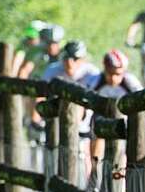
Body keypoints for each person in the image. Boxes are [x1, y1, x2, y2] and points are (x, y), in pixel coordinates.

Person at [40, 40, 100, 179]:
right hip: (56, 116)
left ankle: (91, 180)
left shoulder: (92, 73)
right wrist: (37, 118)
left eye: (75, 59)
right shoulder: (53, 70)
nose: (70, 63)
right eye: (66, 58)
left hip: (86, 120)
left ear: (83, 59)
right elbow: (40, 94)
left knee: (88, 147)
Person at [83, 49, 143, 180]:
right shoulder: (95, 81)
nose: (114, 78)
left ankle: (120, 177)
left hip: (125, 123)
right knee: (96, 133)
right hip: (100, 120)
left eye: (118, 74)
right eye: (110, 73)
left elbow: (144, 104)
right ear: (104, 68)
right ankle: (94, 172)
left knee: (123, 150)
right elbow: (84, 104)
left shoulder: (130, 82)